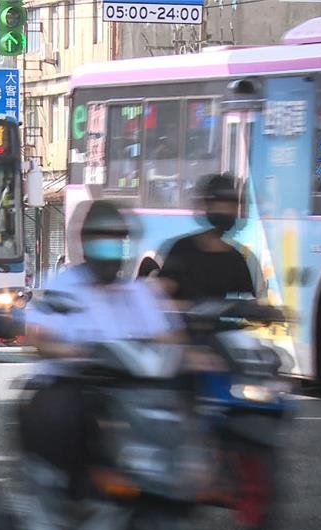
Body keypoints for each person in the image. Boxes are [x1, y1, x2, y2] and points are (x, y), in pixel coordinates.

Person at [21, 200, 186, 499]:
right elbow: (37, 334)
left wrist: (194, 357)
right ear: (86, 245)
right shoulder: (64, 286)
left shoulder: (138, 292)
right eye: (103, 245)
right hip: (77, 386)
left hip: (131, 392)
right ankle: (61, 493)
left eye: (117, 245)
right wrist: (72, 352)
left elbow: (168, 337)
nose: (111, 254)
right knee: (60, 417)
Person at [159, 173, 256, 306]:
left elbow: (247, 304)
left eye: (230, 205)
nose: (226, 210)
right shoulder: (181, 250)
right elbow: (162, 297)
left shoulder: (236, 260)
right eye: (221, 204)